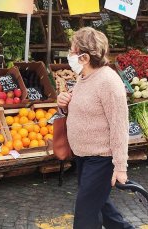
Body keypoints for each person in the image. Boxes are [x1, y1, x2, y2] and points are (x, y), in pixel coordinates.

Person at [57, 27, 134, 229]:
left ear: (84, 57)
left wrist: (120, 167)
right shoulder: (83, 78)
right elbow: (82, 112)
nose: (69, 55)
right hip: (83, 157)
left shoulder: (108, 81)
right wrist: (64, 105)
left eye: (73, 51)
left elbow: (119, 126)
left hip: (101, 160)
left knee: (85, 216)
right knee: (104, 211)